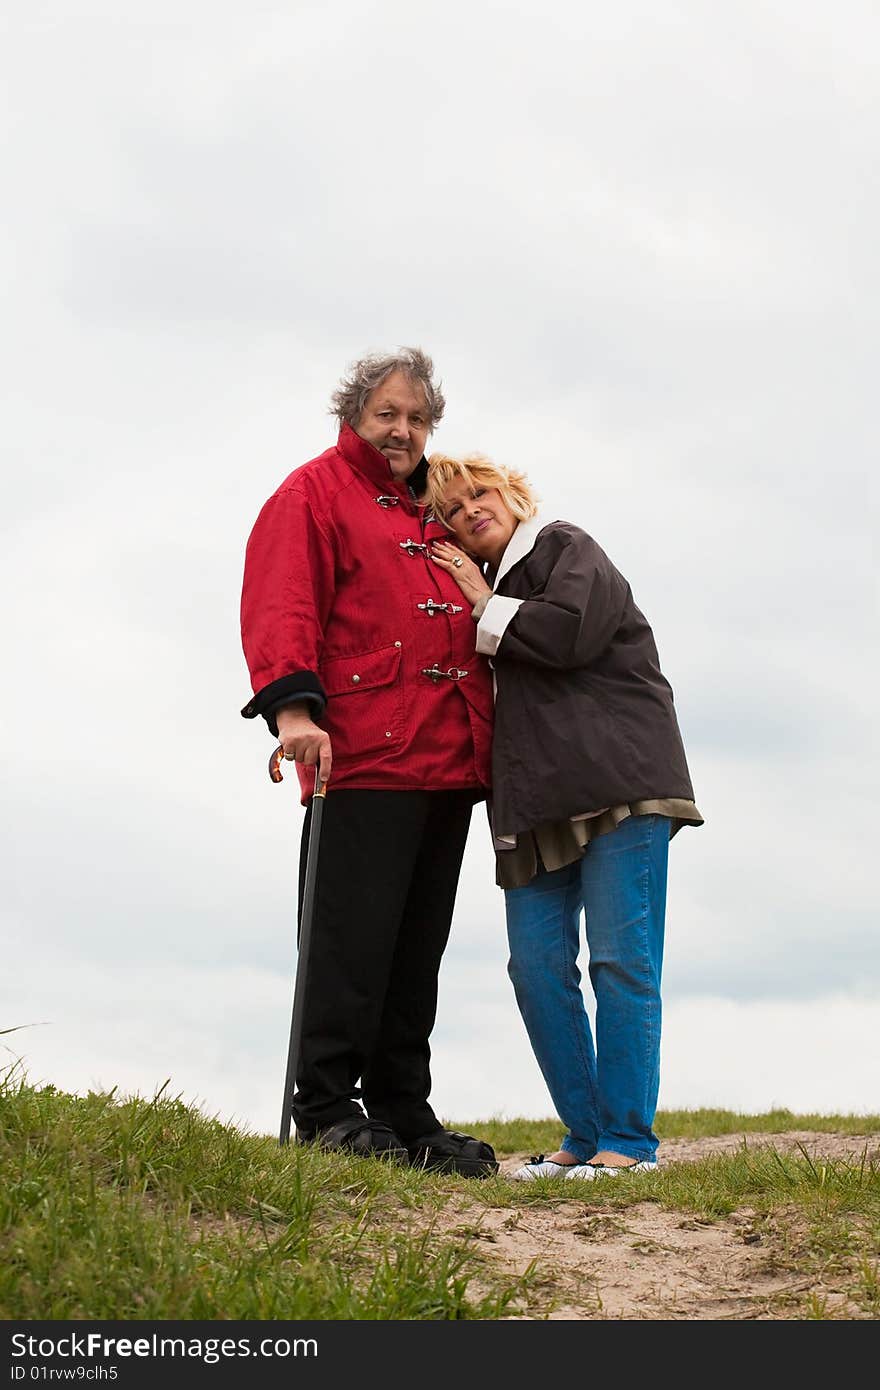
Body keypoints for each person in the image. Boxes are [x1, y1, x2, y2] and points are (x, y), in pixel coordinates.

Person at [239, 350, 498, 1177]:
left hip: (448, 756)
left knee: (415, 948)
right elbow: (282, 602)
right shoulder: (311, 493)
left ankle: (400, 1110)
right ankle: (322, 1107)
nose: (404, 430)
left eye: (419, 419)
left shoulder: (428, 510)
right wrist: (293, 712)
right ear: (353, 413)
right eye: (389, 414)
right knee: (349, 943)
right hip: (365, 751)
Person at [426, 451, 703, 1181]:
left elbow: (571, 633)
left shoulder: (564, 545)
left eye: (478, 493)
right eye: (450, 512)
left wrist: (486, 605)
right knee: (537, 968)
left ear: (510, 492)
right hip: (533, 799)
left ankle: (629, 1146)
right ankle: (584, 1137)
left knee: (621, 962)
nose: (469, 511)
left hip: (620, 780)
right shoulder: (468, 590)